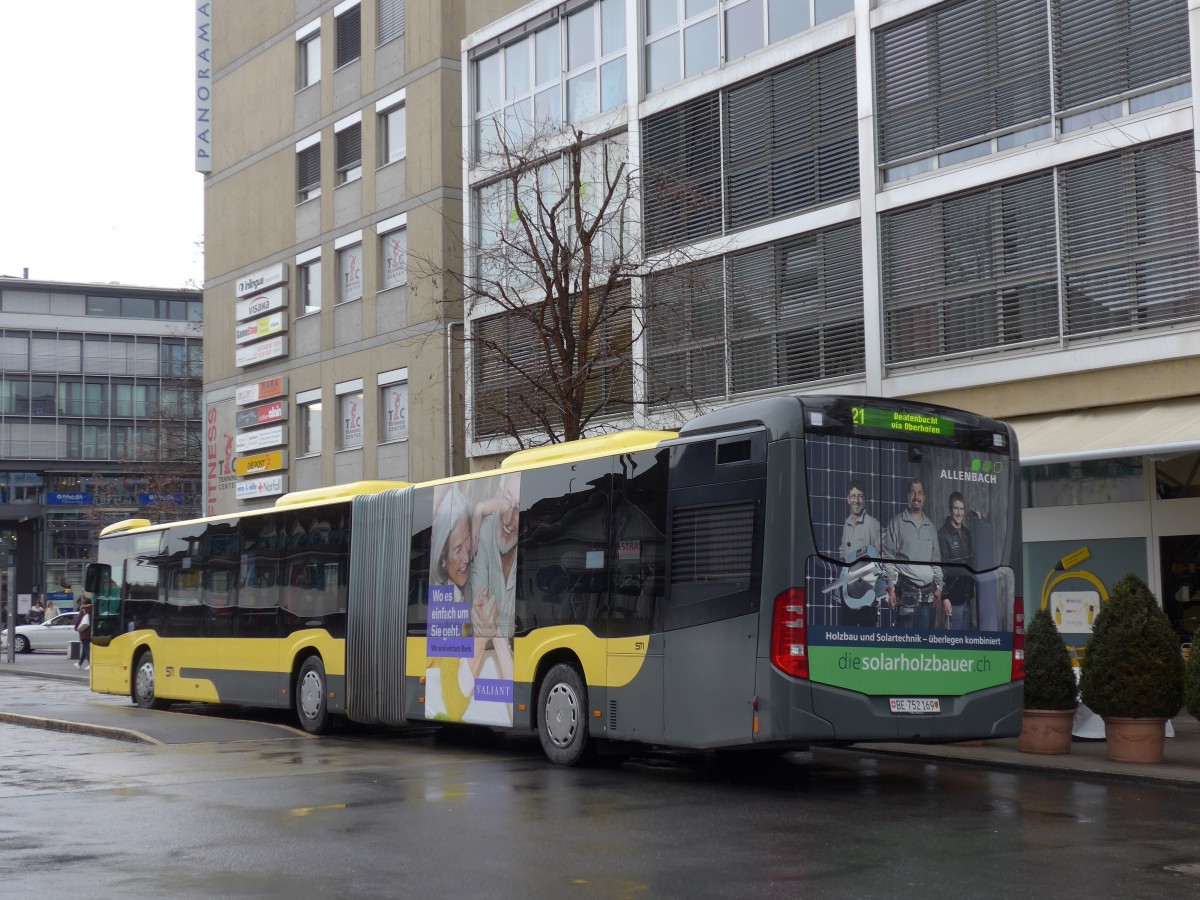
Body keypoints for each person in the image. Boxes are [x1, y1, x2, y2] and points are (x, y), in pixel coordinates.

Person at [883, 478, 947, 630]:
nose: (916, 497)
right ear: (908, 496)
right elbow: (888, 558)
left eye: (920, 493)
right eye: (913, 492)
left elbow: (935, 560)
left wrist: (939, 586)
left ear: (924, 497)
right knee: (904, 643)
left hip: (927, 596)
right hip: (905, 594)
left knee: (922, 643)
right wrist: (891, 588)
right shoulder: (896, 523)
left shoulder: (930, 527)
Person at [839, 478, 884, 627]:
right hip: (848, 591)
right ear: (848, 499)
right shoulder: (846, 524)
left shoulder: (873, 524)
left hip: (867, 591)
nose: (856, 500)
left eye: (860, 496)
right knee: (847, 634)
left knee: (867, 636)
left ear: (864, 500)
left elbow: (884, 556)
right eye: (853, 496)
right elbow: (844, 551)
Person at [938, 492, 975, 631]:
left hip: (967, 597)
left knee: (967, 641)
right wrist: (945, 597)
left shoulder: (968, 533)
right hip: (952, 599)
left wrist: (979, 519)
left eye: (961, 509)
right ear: (950, 509)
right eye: (956, 508)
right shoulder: (943, 534)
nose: (959, 513)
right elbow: (940, 568)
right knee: (954, 643)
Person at [74, 599, 93, 670]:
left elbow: (78, 620)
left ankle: (90, 664)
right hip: (90, 632)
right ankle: (79, 664)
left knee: (86, 648)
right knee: (85, 649)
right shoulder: (93, 610)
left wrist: (76, 628)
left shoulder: (83, 610)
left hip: (84, 632)